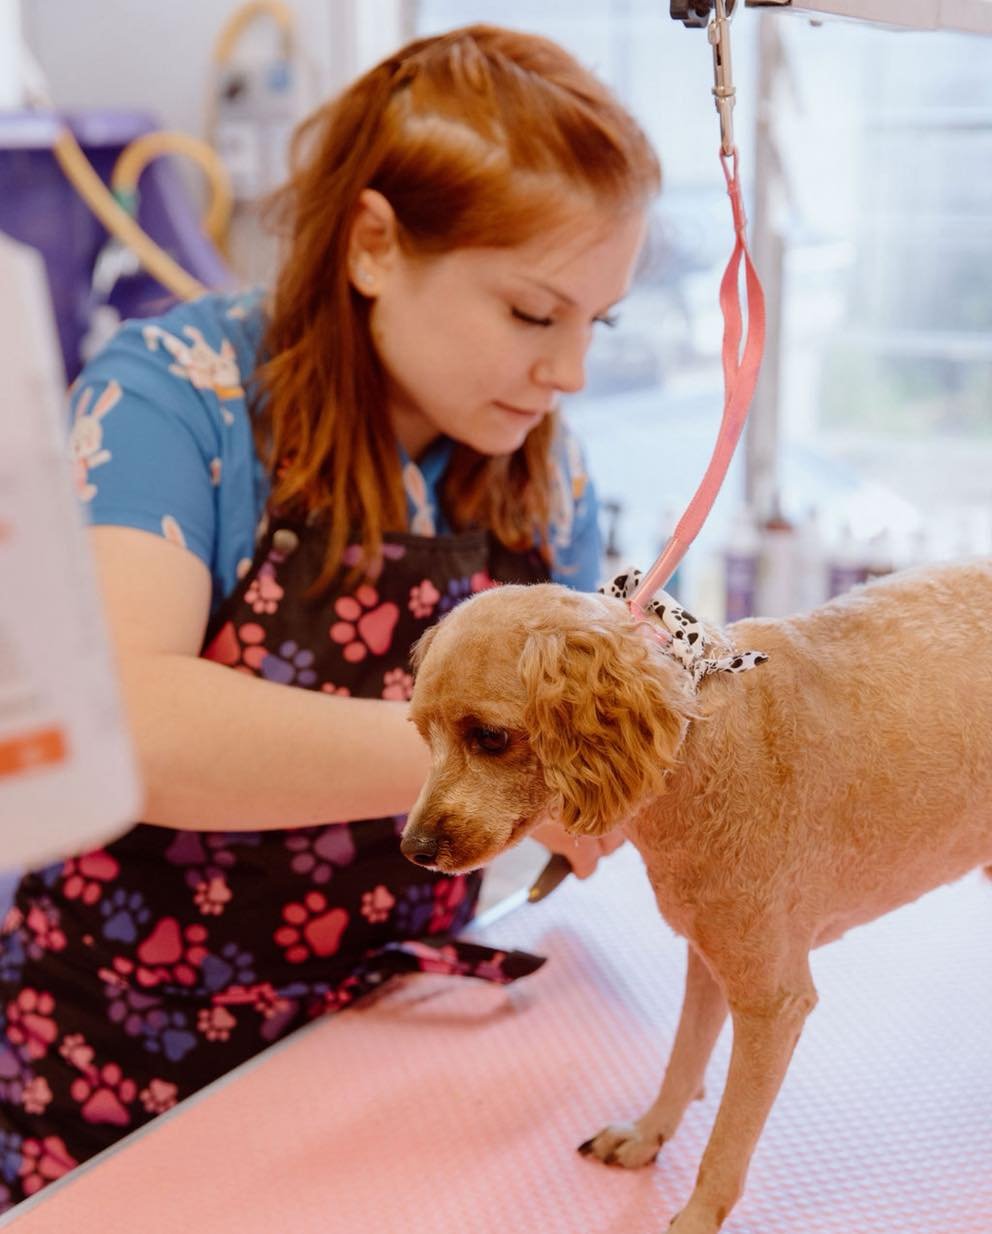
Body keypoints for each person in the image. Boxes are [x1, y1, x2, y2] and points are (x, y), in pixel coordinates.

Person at [0, 23, 659, 1210]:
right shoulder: (175, 402)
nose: (567, 373)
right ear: (371, 245)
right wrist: (510, 766)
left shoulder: (538, 469)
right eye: (530, 313)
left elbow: (584, 778)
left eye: (593, 326)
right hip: (127, 1065)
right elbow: (131, 726)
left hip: (391, 1042)